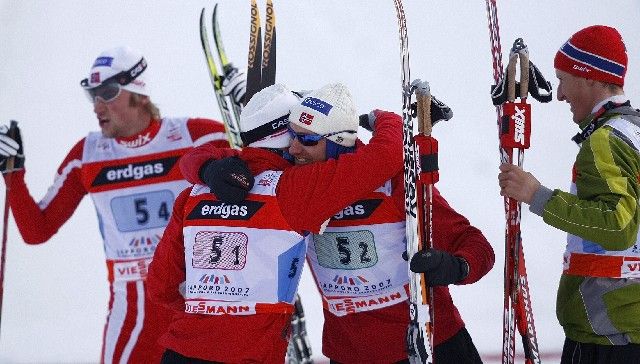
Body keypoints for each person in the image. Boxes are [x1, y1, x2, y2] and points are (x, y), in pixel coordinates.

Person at [181, 83, 495, 363]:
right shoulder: (291, 186)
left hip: (429, 343)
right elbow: (231, 155)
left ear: (335, 142)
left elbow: (475, 246)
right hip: (350, 353)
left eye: (306, 140)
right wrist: (208, 166)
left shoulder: (391, 180)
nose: (293, 149)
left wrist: (457, 267)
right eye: (292, 137)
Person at [146, 82, 407, 363]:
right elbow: (387, 155)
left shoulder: (193, 193)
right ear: (287, 135)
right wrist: (383, 118)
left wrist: (209, 313)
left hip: (181, 350)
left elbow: (160, 286)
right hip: (250, 354)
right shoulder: (297, 189)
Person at [0, 46, 229, 363]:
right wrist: (13, 172)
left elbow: (260, 170)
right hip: (133, 310)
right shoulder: (89, 155)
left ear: (141, 93)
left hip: (196, 302)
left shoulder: (197, 136)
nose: (97, 105)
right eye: (92, 94)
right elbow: (36, 230)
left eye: (108, 92)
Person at [498, 25, 640, 363]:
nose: (559, 94)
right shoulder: (634, 129)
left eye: (563, 80)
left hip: (607, 334)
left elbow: (619, 226)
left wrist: (536, 195)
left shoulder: (606, 140)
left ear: (589, 78)